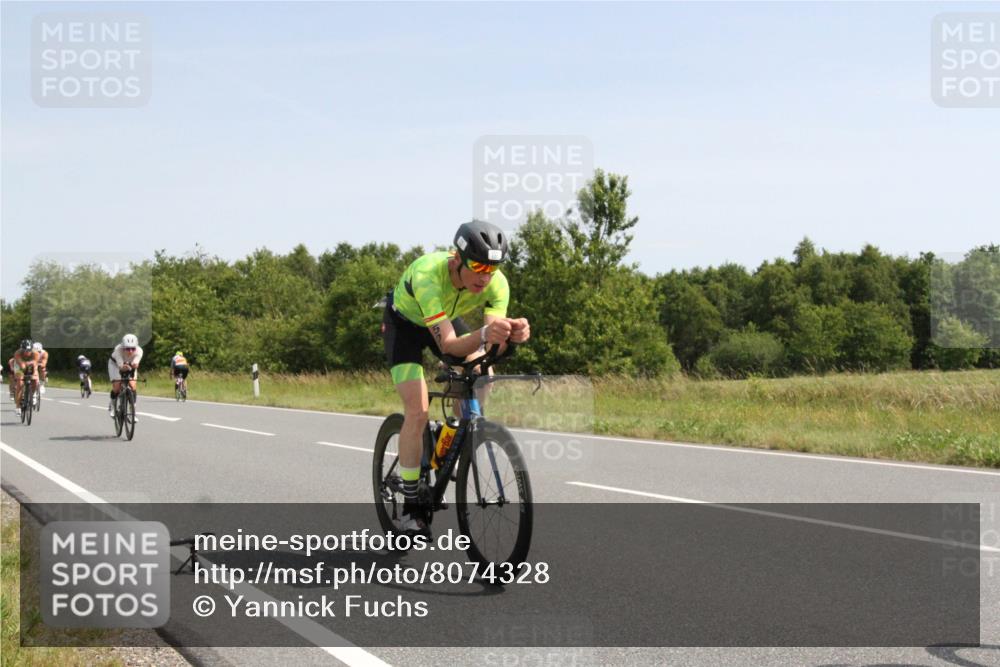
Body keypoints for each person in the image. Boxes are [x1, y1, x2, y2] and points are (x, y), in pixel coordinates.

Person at [382, 220, 530, 536]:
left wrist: (511, 336)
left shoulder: (496, 284)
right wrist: (486, 333)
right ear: (457, 258)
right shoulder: (427, 276)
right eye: (477, 265)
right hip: (405, 325)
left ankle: (456, 434)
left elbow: (490, 345)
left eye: (492, 267)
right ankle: (411, 506)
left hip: (444, 321)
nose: (484, 276)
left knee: (482, 374)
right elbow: (449, 345)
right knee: (418, 410)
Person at [109, 334, 143, 419]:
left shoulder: (139, 351)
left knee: (133, 386)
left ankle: (133, 411)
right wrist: (126, 367)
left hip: (130, 365)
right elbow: (121, 367)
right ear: (123, 347)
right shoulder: (118, 350)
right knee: (117, 386)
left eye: (133, 348)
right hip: (115, 365)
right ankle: (113, 405)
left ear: (136, 347)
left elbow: (135, 364)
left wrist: (134, 366)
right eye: (127, 348)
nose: (130, 351)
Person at [12, 340, 39, 418]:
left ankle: (32, 394)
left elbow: (35, 363)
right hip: (20, 365)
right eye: (25, 350)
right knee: (20, 383)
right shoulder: (17, 353)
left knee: (35, 380)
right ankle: (17, 407)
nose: (27, 352)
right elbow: (22, 365)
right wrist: (25, 367)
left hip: (31, 365)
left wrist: (31, 367)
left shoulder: (35, 353)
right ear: (21, 349)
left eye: (29, 350)